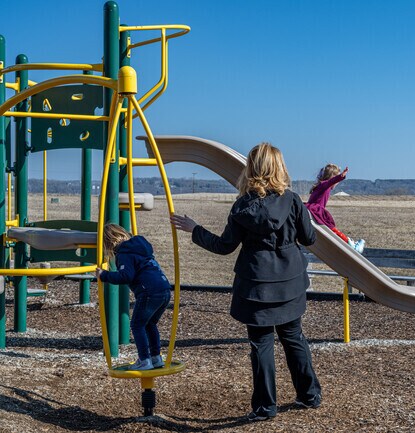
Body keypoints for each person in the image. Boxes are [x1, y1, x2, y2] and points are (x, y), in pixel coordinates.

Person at [170, 142, 322, 422]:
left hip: (256, 286)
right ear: (279, 168)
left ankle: (266, 407)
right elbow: (309, 239)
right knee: (293, 337)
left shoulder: (242, 207)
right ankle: (309, 394)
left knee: (262, 344)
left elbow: (224, 246)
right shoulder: (292, 200)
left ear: (251, 169)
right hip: (289, 282)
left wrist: (196, 230)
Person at [95, 224, 171, 371]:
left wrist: (104, 275)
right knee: (149, 324)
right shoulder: (138, 248)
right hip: (164, 289)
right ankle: (156, 357)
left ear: (109, 242)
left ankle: (144, 360)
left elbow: (126, 276)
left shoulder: (124, 253)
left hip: (149, 292)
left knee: (137, 325)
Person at [306, 163, 365, 253]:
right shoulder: (324, 185)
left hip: (312, 210)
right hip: (315, 211)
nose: (336, 184)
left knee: (331, 229)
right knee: (331, 229)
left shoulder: (320, 186)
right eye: (336, 180)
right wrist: (341, 176)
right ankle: (351, 245)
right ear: (332, 177)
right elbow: (331, 181)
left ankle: (349, 242)